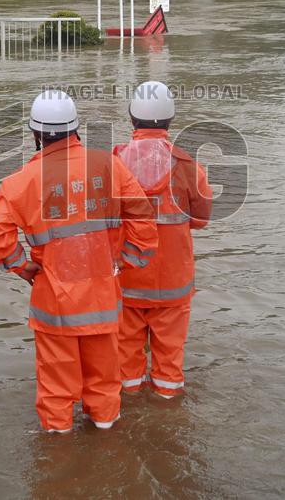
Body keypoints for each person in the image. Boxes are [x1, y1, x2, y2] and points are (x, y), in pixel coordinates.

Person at [0, 90, 158, 432]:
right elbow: (143, 219)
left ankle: (59, 459)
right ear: (75, 128)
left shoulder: (18, 183)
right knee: (106, 386)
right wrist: (125, 262)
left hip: (54, 305)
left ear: (35, 134)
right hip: (103, 300)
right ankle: (107, 447)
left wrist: (27, 269)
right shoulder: (110, 165)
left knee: (55, 394)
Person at [113, 81, 213, 398]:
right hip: (173, 284)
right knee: (170, 361)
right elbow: (201, 220)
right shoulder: (189, 167)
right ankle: (168, 410)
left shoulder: (112, 163)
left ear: (132, 117)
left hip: (126, 280)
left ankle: (124, 412)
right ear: (170, 119)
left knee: (125, 360)